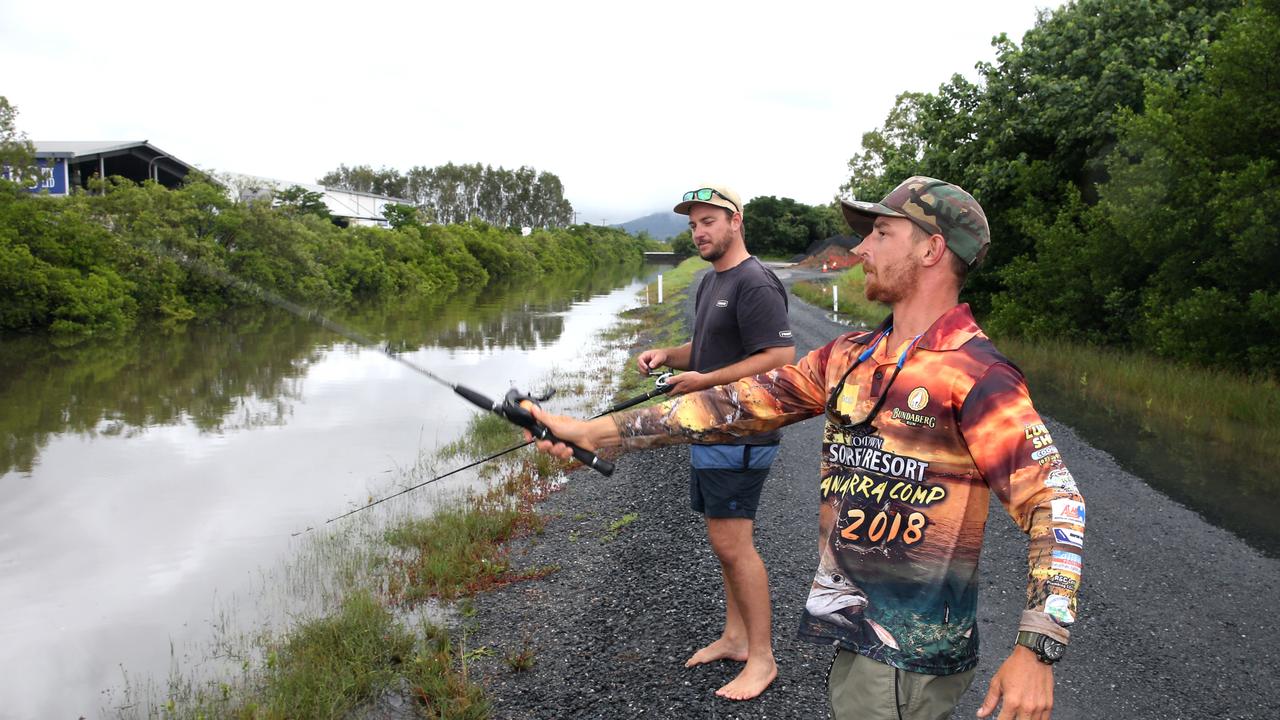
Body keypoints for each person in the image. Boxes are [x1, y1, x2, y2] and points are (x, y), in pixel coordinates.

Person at [528, 177, 1085, 719]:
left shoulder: (976, 374)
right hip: (857, 632)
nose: (861, 247)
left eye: (882, 234)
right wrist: (594, 433)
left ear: (932, 249)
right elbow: (736, 405)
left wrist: (1037, 650)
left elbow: (1055, 505)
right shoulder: (850, 355)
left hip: (911, 653)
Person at [636, 184, 796, 701]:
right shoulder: (711, 282)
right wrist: (668, 354)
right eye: (692, 225)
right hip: (711, 429)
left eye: (708, 221)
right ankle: (734, 637)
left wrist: (703, 382)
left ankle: (763, 658)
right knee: (723, 545)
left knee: (734, 545)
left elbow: (779, 358)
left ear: (736, 221)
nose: (699, 232)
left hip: (743, 433)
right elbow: (705, 348)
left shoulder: (755, 282)